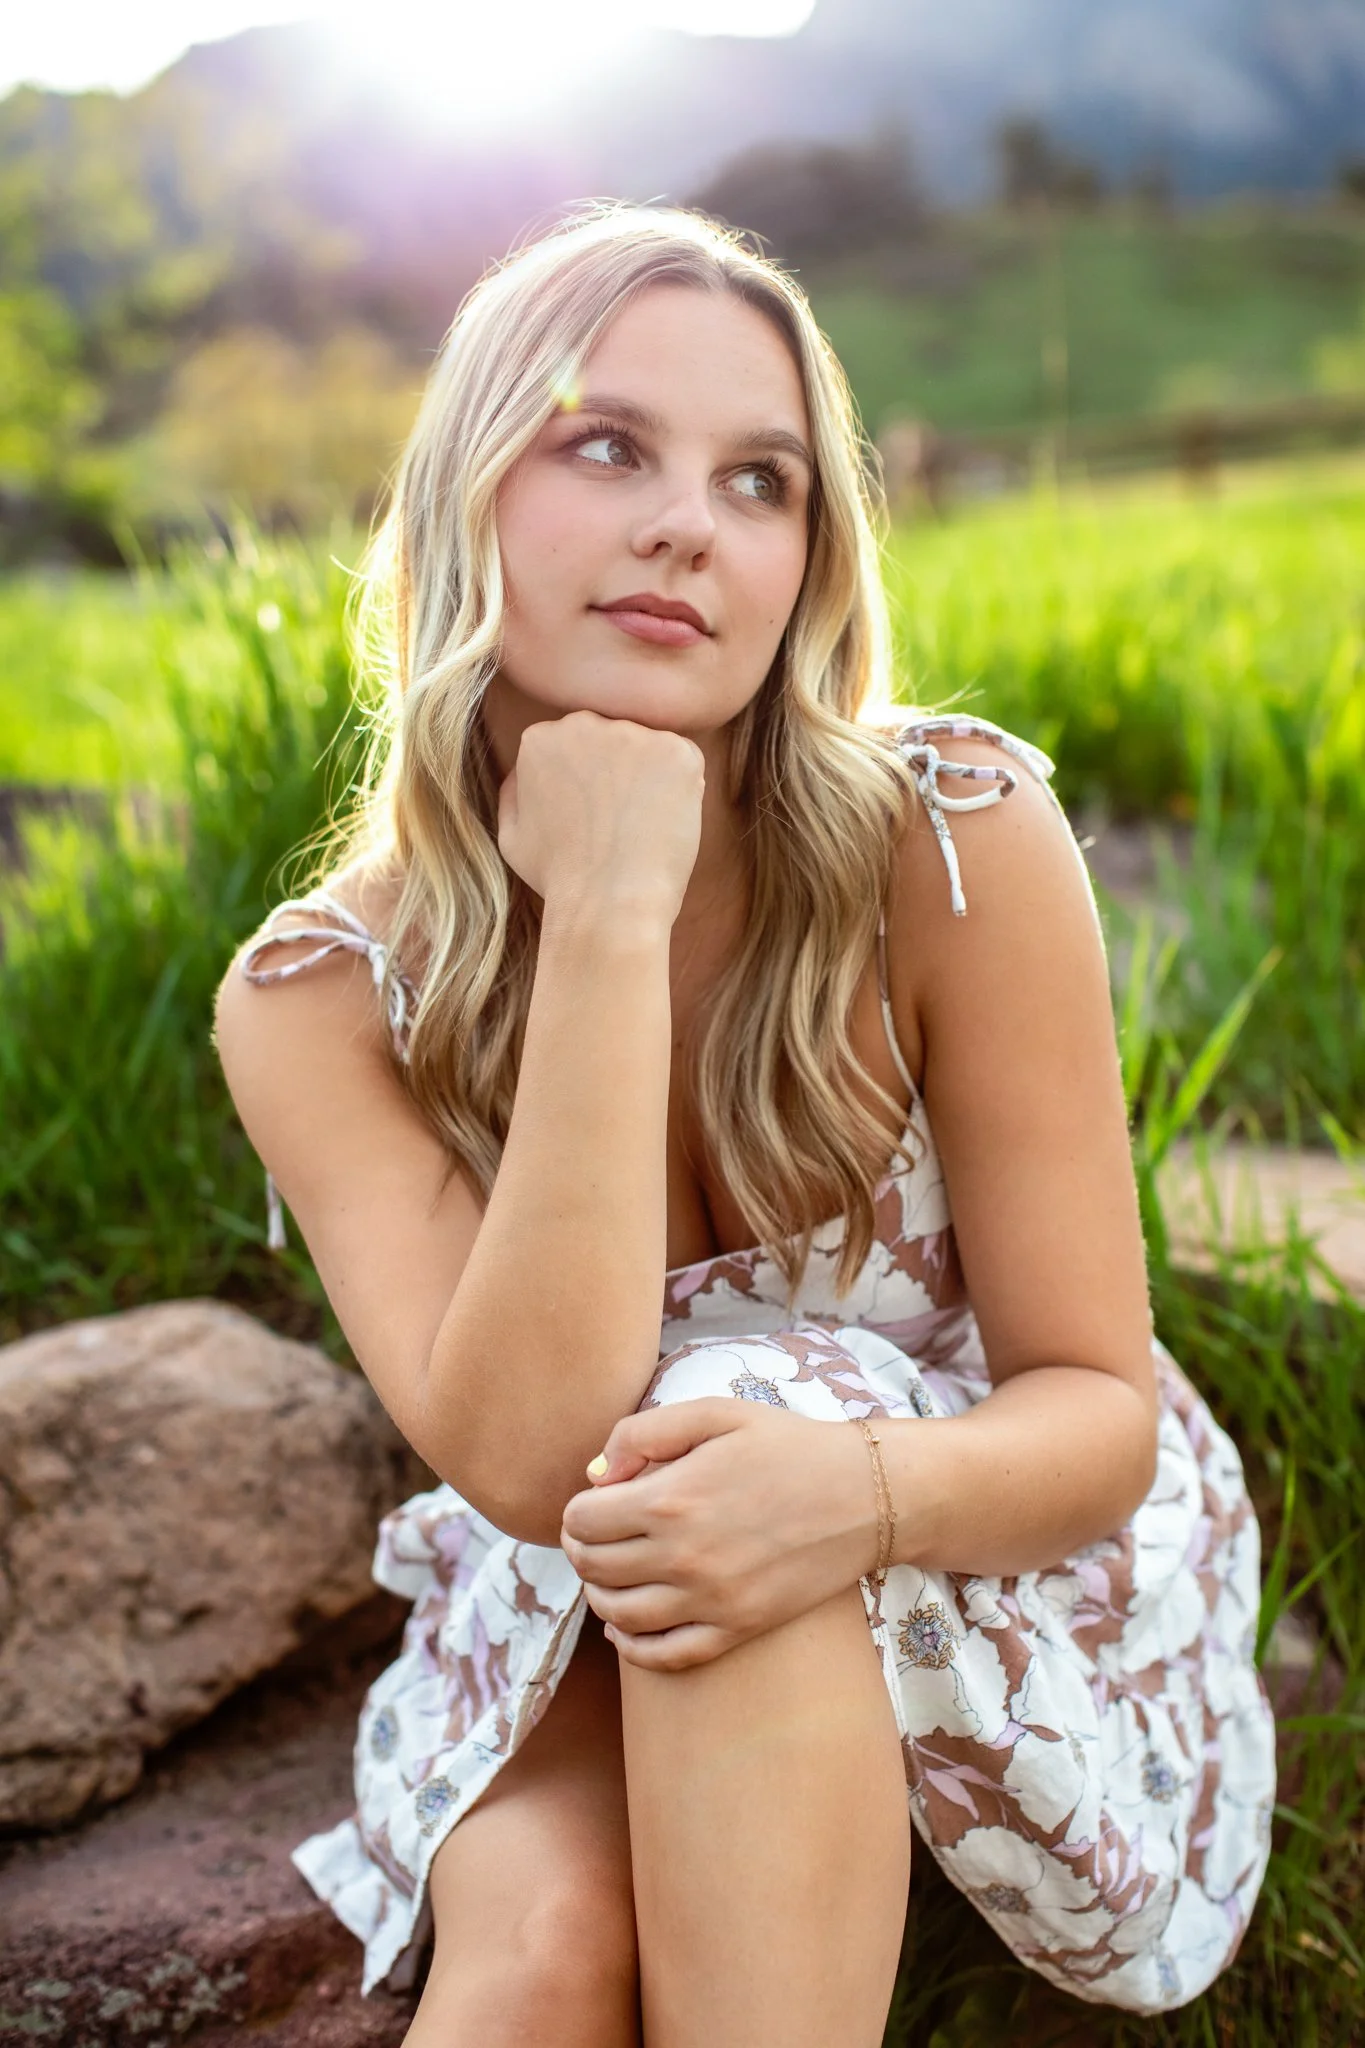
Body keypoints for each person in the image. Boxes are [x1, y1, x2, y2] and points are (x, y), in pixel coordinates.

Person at [213, 201, 1276, 2046]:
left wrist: (850, 1499)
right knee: (537, 1954)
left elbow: (1098, 1415)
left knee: (744, 1418)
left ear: (810, 554)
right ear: (472, 488)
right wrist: (611, 911)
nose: (686, 525)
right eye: (604, 445)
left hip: (980, 1524)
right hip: (582, 1569)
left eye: (761, 480)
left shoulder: (951, 845)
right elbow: (537, 1459)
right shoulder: (315, 996)